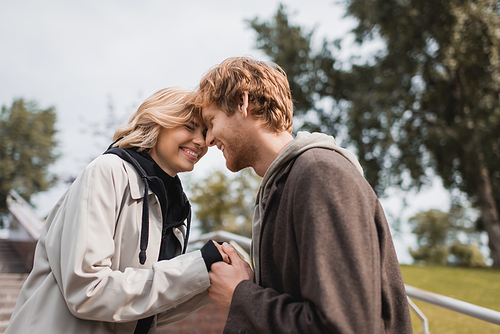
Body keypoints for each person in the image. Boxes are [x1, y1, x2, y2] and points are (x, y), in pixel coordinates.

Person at [195, 57, 413, 333]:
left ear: (243, 102)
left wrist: (241, 295)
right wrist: (250, 286)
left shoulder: (320, 174)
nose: (209, 139)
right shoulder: (284, 185)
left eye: (211, 121)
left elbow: (344, 325)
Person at [5, 87, 229, 334]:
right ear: (159, 121)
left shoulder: (175, 207)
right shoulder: (108, 171)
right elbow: (87, 291)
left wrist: (208, 275)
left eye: (205, 132)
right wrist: (194, 268)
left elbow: (145, 311)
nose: (201, 141)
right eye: (189, 126)